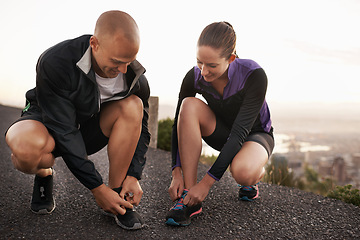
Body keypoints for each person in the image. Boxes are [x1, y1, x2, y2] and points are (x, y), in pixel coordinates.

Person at [5, 10, 150, 230]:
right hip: (47, 120)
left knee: (133, 106)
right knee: (26, 151)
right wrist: (96, 188)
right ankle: (44, 173)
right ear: (95, 44)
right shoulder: (55, 61)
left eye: (128, 62)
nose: (123, 69)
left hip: (88, 128)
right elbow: (65, 131)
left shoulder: (135, 79)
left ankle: (116, 194)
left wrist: (133, 174)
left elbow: (143, 128)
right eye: (117, 61)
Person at [166, 22, 274, 226]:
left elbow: (240, 132)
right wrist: (176, 172)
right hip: (222, 133)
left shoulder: (254, 74)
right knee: (188, 105)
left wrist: (206, 184)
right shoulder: (195, 76)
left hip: (254, 136)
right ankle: (189, 198)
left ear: (231, 58)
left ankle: (255, 174)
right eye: (200, 62)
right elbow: (177, 123)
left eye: (212, 65)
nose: (204, 72)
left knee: (242, 172)